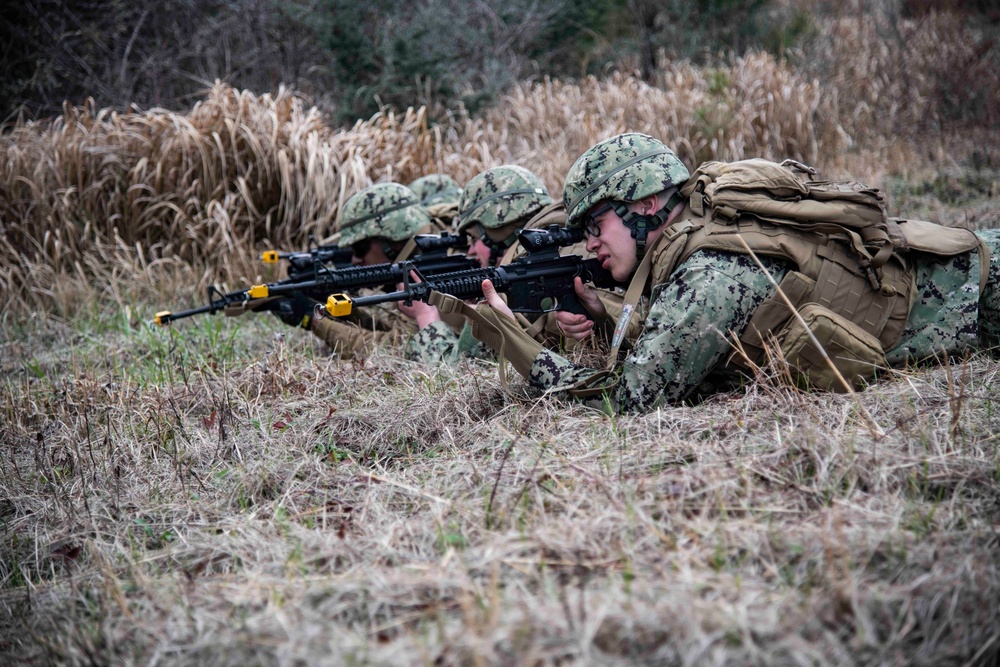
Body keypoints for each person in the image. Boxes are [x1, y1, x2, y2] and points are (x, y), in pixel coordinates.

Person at [459, 132, 1000, 413]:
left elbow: (628, 401)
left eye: (597, 223)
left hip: (978, 295)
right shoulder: (701, 230)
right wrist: (608, 314)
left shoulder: (710, 272)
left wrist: (512, 339)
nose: (591, 241)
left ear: (645, 204)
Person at [400, 165, 635, 364]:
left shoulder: (570, 260)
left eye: (475, 238)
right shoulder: (552, 255)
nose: (470, 250)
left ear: (497, 232)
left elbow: (460, 369)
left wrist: (426, 316)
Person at [274, 182, 447, 357]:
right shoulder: (426, 258)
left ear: (391, 240)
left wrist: (313, 320)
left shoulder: (439, 268)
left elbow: (397, 350)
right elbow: (398, 332)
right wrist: (346, 313)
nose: (354, 260)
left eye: (359, 248)